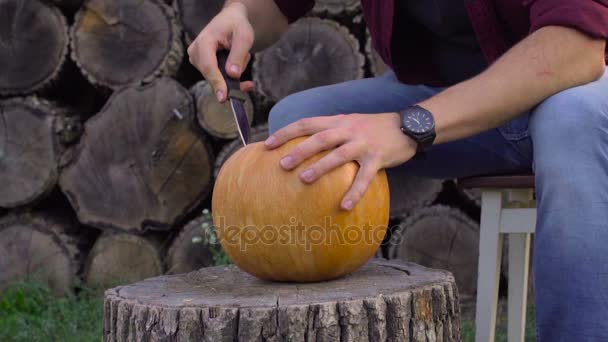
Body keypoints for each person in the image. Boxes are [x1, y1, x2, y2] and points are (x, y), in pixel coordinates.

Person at [188, 0, 608, 340]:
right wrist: (239, 15)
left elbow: (576, 47)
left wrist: (408, 126)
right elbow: (277, 7)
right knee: (300, 127)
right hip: (452, 98)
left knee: (571, 119)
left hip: (577, 88)